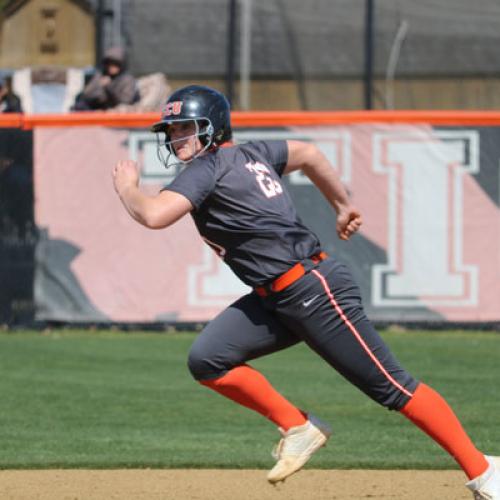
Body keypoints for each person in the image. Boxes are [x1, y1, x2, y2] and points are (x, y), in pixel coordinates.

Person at [112, 85, 499, 499]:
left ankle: (484, 472)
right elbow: (310, 154)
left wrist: (127, 188)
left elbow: (153, 215)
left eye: (186, 127)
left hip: (312, 289)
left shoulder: (207, 167)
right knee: (208, 359)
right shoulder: (254, 152)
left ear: (213, 128)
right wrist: (341, 204)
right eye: (172, 131)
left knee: (392, 387)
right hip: (276, 296)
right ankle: (297, 426)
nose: (177, 138)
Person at [72, 47, 139, 111]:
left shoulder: (127, 80)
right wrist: (98, 93)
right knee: (79, 106)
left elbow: (126, 101)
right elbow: (86, 94)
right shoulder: (101, 75)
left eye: (116, 64)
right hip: (97, 109)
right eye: (109, 63)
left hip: (117, 112)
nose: (112, 67)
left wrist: (108, 87)